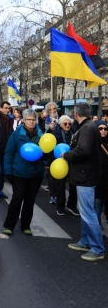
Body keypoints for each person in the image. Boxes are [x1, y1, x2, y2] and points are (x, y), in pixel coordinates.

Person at [63, 103, 105, 262]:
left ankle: (97, 249)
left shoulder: (87, 128)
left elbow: (83, 150)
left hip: (85, 176)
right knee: (86, 211)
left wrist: (67, 155)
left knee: (88, 213)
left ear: (75, 114)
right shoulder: (88, 126)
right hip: (85, 175)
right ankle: (85, 241)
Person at [2, 109, 45, 236]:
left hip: (36, 173)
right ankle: (9, 225)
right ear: (24, 121)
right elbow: (9, 153)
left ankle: (26, 225)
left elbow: (45, 152)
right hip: (19, 172)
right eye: (29, 120)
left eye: (33, 120)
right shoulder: (17, 134)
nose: (31, 122)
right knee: (17, 199)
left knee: (30, 201)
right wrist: (8, 171)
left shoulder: (42, 135)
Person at [48, 116, 78, 216]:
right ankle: (60, 207)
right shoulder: (55, 134)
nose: (68, 126)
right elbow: (50, 148)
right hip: (59, 163)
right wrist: (48, 163)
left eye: (69, 124)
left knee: (73, 185)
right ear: (60, 125)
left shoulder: (73, 133)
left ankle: (71, 205)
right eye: (65, 124)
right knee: (60, 186)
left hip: (71, 162)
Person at [94, 121, 108, 231]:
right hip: (98, 181)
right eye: (100, 128)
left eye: (105, 128)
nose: (103, 130)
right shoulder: (93, 143)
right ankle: (97, 227)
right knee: (97, 204)